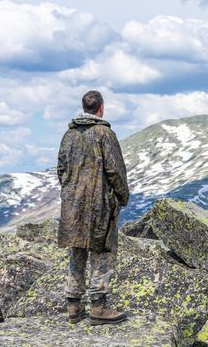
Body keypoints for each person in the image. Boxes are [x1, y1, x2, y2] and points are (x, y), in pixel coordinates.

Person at [57, 90, 130, 325]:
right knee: (102, 252)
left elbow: (61, 169)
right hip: (99, 203)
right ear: (101, 108)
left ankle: (73, 307)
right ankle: (98, 308)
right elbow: (115, 170)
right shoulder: (105, 134)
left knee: (76, 251)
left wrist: (70, 192)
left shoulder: (68, 135)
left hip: (72, 203)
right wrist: (122, 196)